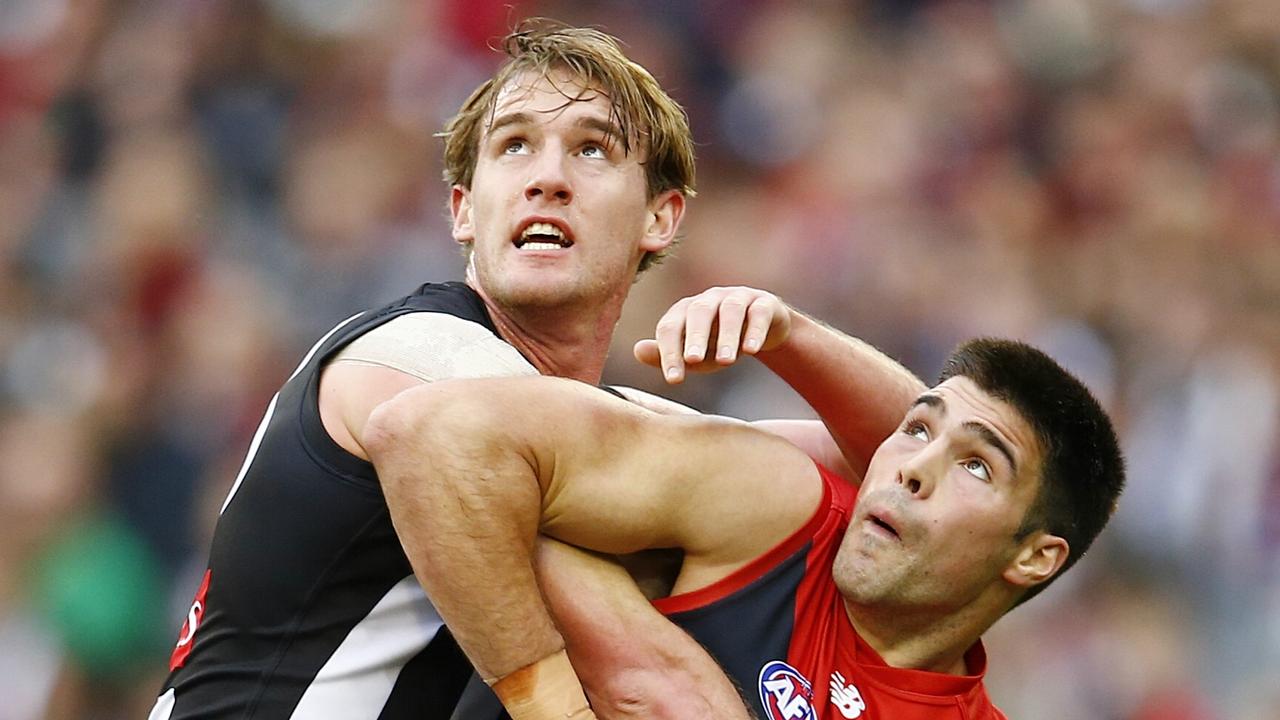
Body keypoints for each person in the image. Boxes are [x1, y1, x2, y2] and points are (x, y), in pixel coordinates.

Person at [149, 20, 923, 720]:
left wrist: (791, 335)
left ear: (662, 217)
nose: (545, 177)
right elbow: (647, 682)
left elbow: (926, 467)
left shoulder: (570, 421)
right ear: (462, 208)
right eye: (514, 145)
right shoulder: (419, 358)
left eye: (591, 149)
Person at [364, 336, 1126, 720]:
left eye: (978, 468)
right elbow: (429, 436)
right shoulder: (778, 510)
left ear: (1036, 557)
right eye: (918, 430)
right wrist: (565, 699)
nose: (912, 468)